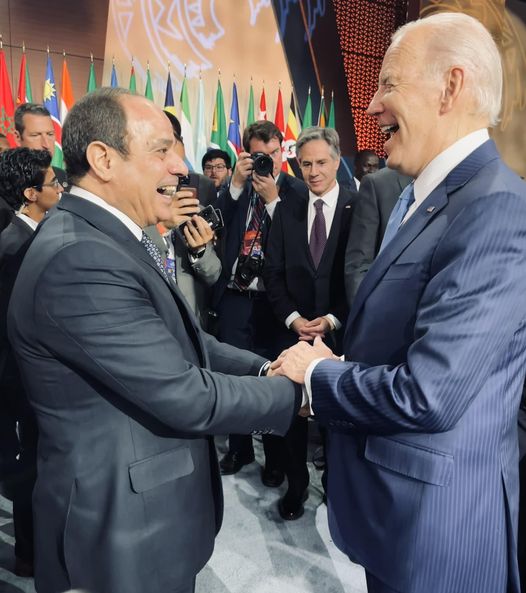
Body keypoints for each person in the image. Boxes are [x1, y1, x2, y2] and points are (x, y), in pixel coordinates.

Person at [7, 88, 302, 593]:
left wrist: (265, 368)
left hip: (145, 523)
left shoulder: (106, 235)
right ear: (103, 159)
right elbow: (183, 393)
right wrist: (301, 392)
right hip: (119, 538)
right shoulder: (79, 258)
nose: (180, 166)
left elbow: (181, 339)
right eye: (162, 150)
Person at [273, 12, 526, 593]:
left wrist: (320, 375)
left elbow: (431, 394)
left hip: (437, 531)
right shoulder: (423, 197)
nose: (370, 106)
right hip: (396, 514)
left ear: (451, 87)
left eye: (388, 84)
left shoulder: (494, 208)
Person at [263, 126, 356, 520]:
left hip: (339, 335)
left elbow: (361, 274)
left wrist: (332, 320)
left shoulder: (358, 206)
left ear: (336, 161)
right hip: (293, 334)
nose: (313, 171)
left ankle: (336, 487)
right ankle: (296, 486)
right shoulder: (287, 207)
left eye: (321, 162)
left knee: (338, 418)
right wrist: (295, 319)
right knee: (292, 417)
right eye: (305, 164)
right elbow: (272, 273)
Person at [213, 120, 307, 482]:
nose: (268, 161)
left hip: (275, 303)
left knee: (272, 379)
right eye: (259, 155)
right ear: (246, 155)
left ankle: (275, 459)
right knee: (235, 376)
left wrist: (272, 202)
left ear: (283, 151)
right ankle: (239, 449)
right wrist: (236, 184)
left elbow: (297, 242)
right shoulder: (236, 186)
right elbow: (217, 221)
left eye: (273, 153)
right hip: (235, 296)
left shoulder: (297, 191)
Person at [0, 147, 62, 577]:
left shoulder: (31, 235)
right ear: (30, 193)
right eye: (53, 183)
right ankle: (29, 553)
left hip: (29, 375)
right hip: (21, 378)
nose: (60, 189)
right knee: (31, 466)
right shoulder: (15, 246)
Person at [344, 166, 411, 305]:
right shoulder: (379, 183)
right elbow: (359, 264)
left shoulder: (455, 180)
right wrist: (365, 311)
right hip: (385, 306)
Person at [14, 103, 68, 188]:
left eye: (50, 134)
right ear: (18, 137)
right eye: (35, 135)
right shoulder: (6, 181)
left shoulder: (65, 179)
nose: (46, 144)